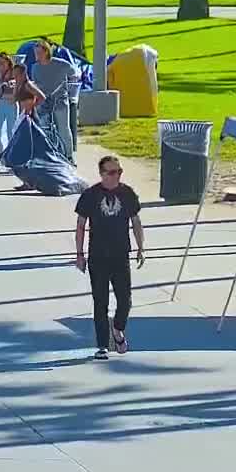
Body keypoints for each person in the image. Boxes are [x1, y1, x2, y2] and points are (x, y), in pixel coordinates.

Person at [74, 154, 145, 360]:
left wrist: (141, 247)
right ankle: (103, 345)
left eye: (119, 171)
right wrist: (80, 254)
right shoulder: (90, 195)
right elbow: (80, 225)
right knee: (100, 301)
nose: (117, 176)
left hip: (121, 255)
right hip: (98, 256)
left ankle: (118, 328)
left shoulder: (127, 193)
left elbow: (136, 221)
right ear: (103, 174)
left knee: (125, 301)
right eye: (113, 172)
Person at [31, 40, 79, 162]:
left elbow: (75, 74)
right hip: (43, 103)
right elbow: (35, 84)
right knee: (43, 129)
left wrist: (72, 81)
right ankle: (48, 155)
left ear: (46, 52)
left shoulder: (62, 65)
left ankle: (68, 156)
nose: (37, 55)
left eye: (39, 53)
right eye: (35, 53)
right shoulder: (35, 67)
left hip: (60, 102)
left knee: (63, 129)